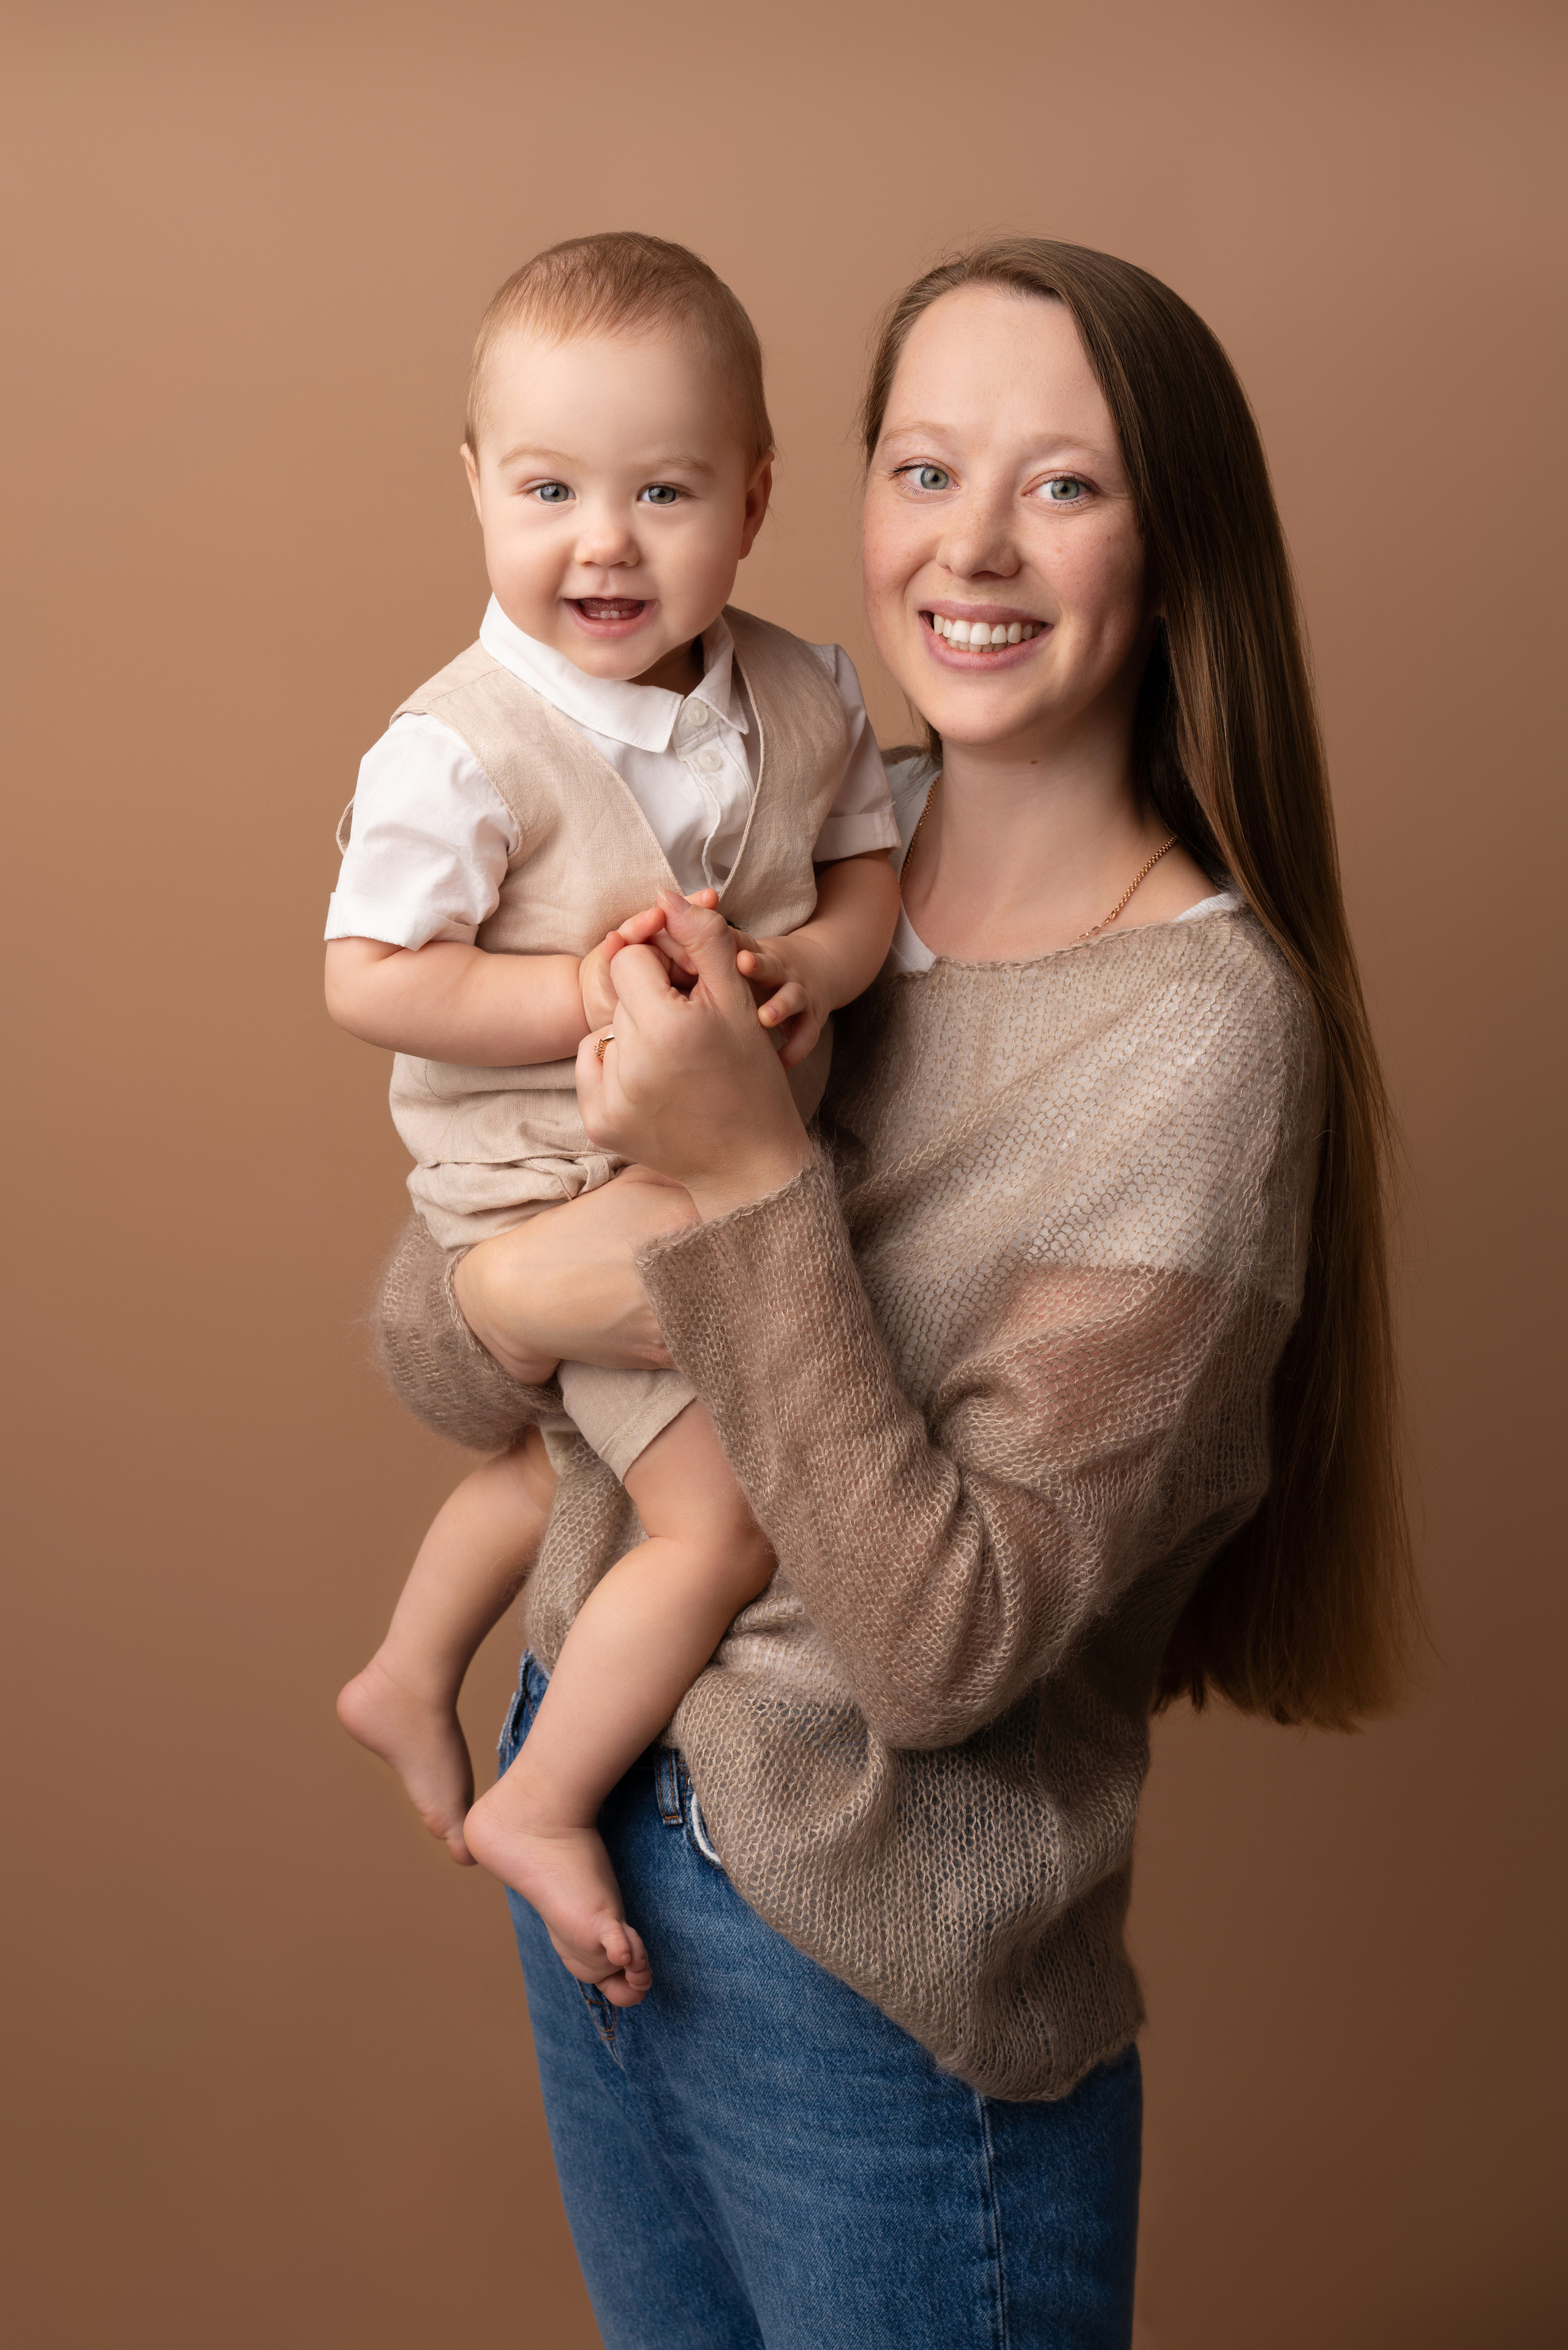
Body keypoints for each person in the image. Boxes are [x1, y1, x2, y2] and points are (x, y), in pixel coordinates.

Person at [374, 239, 1417, 2349]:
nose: (974, 545)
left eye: (1066, 485)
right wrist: (537, 1282)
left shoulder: (1206, 1044)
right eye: (928, 467)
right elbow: (431, 1342)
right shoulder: (795, 849)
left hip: (873, 1974)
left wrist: (744, 1175)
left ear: (1176, 536)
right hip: (590, 1829)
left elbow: (946, 1649)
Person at [327, 233, 900, 2005]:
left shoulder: (804, 691)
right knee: (719, 1524)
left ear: (754, 495)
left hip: (705, 1152)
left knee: (560, 1456)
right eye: (552, 487)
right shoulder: (459, 747)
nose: (605, 541)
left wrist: (806, 962)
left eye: (664, 491)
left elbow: (871, 884)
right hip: (549, 1174)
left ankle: (409, 1676)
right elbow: (371, 976)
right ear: (478, 488)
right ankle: (550, 1802)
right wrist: (581, 991)